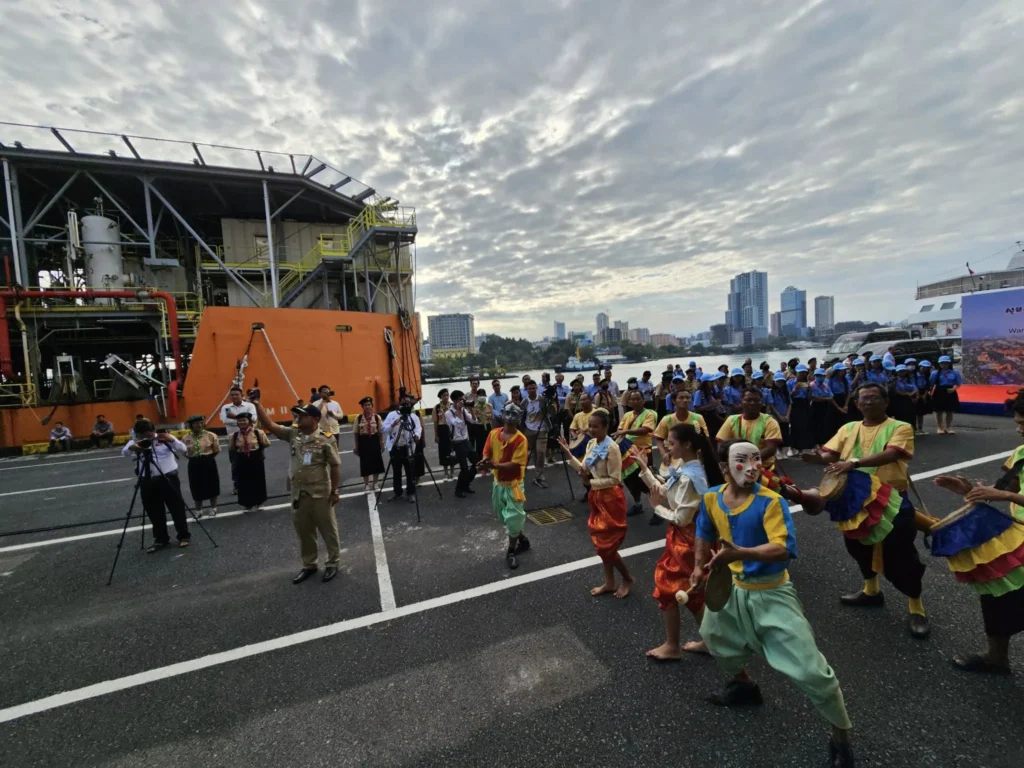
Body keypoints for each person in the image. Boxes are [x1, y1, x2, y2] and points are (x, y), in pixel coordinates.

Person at [692, 439, 855, 767]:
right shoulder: (711, 497)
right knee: (715, 637)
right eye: (741, 461)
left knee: (811, 670)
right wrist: (698, 566)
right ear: (724, 467)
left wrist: (741, 553)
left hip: (771, 592)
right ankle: (744, 686)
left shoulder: (770, 502)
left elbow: (782, 549)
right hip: (733, 589)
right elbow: (704, 531)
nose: (751, 466)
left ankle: (841, 737)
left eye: (755, 459)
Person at [802, 382, 930, 638]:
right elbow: (830, 454)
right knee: (857, 547)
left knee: (902, 553)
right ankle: (871, 591)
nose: (868, 402)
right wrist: (818, 458)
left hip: (891, 499)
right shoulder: (848, 428)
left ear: (885, 402)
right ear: (857, 404)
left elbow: (892, 454)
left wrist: (853, 462)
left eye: (873, 398)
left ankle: (917, 607)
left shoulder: (900, 427)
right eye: (863, 399)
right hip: (854, 501)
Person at [933, 396, 1024, 674]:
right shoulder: (1021, 453)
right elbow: (1006, 487)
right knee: (996, 595)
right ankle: (996, 657)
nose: (1019, 428)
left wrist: (1005, 494)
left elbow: (1008, 493)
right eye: (1018, 422)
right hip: (1017, 538)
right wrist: (969, 489)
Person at [634, 423, 723, 660]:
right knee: (693, 593)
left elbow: (681, 518)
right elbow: (665, 491)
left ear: (687, 445)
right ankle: (711, 641)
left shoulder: (690, 477)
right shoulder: (686, 469)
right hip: (689, 538)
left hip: (687, 541)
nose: (666, 447)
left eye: (671, 443)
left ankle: (673, 645)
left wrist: (657, 509)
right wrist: (644, 468)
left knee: (667, 587)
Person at [254, 400, 342, 583]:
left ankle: (333, 562)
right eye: (298, 415)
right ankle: (309, 564)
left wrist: (334, 491)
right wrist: (257, 404)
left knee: (328, 530)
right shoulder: (293, 433)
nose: (298, 417)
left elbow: (335, 466)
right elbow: (269, 425)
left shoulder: (327, 437)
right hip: (298, 493)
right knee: (304, 531)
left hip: (320, 492)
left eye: (303, 415)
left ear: (315, 419)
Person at [558, 410, 634, 598]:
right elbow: (585, 468)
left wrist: (590, 483)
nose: (591, 429)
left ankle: (627, 578)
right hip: (597, 497)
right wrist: (568, 453)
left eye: (595, 426)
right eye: (590, 425)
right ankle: (610, 582)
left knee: (607, 546)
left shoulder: (612, 448)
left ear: (606, 427)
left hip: (611, 500)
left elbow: (615, 479)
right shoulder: (592, 443)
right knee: (600, 544)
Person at [122, 420, 191, 551]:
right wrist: (134, 447)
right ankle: (161, 539)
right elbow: (124, 453)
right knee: (154, 511)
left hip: (168, 478)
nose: (146, 438)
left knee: (176, 508)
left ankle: (183, 536)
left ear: (153, 431)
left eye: (148, 435)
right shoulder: (136, 441)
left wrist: (171, 439)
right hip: (147, 480)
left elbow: (183, 449)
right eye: (142, 436)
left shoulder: (163, 438)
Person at [478, 403, 531, 569]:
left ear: (519, 417)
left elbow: (515, 464)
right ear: (502, 414)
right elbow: (487, 451)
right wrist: (484, 461)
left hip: (513, 484)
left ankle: (511, 551)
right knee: (504, 517)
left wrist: (493, 466)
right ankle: (522, 539)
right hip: (498, 484)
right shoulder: (494, 433)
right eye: (507, 413)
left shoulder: (521, 440)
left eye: (514, 414)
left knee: (513, 518)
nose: (510, 417)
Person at [715, 388, 784, 473]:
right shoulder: (732, 420)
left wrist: (746, 461)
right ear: (741, 402)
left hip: (764, 470)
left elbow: (771, 449)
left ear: (762, 403)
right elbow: (721, 445)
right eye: (748, 400)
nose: (752, 403)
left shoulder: (769, 421)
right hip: (738, 469)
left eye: (756, 400)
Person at [613, 390, 658, 520]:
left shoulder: (649, 414)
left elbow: (645, 430)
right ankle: (638, 505)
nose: (634, 401)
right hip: (627, 453)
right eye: (632, 399)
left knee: (648, 482)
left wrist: (625, 431)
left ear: (643, 400)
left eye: (638, 399)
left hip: (643, 453)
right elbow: (620, 430)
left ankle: (657, 510)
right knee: (630, 481)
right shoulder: (627, 415)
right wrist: (622, 432)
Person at [382, 393, 423, 503]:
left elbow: (418, 428)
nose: (406, 403)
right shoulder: (391, 415)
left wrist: (417, 436)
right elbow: (384, 429)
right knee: (396, 471)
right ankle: (397, 492)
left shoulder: (413, 416)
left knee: (410, 471)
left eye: (408, 402)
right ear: (399, 402)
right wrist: (393, 424)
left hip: (408, 447)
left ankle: (411, 492)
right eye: (404, 401)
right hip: (395, 447)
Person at [229, 412, 270, 512]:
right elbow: (233, 448)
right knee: (243, 482)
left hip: (255, 457)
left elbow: (265, 444)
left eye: (244, 420)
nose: (242, 422)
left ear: (249, 421)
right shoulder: (234, 435)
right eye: (239, 421)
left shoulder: (258, 432)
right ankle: (247, 504)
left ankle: (259, 502)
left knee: (258, 480)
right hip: (242, 458)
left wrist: (258, 453)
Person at [182, 414, 220, 517]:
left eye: (201, 422)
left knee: (212, 485)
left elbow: (216, 450)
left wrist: (207, 458)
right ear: (191, 425)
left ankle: (213, 508)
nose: (199, 425)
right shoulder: (186, 438)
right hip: (194, 464)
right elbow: (185, 452)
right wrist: (194, 459)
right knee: (196, 487)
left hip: (208, 462)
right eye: (196, 423)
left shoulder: (210, 435)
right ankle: (198, 510)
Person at [220, 386, 257, 494]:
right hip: (234, 440)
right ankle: (237, 485)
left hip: (250, 439)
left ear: (242, 396)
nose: (234, 396)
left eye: (237, 394)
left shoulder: (250, 405)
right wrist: (244, 419)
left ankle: (253, 484)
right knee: (235, 464)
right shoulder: (226, 407)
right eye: (232, 395)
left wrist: (234, 417)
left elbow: (254, 420)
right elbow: (225, 420)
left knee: (252, 462)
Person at [654, 389, 710, 460]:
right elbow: (659, 438)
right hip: (673, 457)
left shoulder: (698, 418)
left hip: (693, 458)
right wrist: (663, 453)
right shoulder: (667, 419)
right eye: (681, 398)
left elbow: (705, 438)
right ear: (674, 401)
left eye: (687, 397)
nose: (685, 400)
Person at [446, 390, 479, 498]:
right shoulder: (448, 413)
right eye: (460, 399)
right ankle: (458, 489)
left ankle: (466, 484)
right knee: (464, 468)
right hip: (457, 442)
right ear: (455, 401)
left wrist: (472, 409)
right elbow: (458, 423)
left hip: (465, 440)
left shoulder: (464, 410)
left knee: (477, 463)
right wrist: (459, 411)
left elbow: (474, 421)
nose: (462, 402)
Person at [521, 380, 553, 488]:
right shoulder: (524, 402)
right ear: (527, 390)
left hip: (542, 429)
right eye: (529, 388)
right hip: (529, 430)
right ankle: (537, 475)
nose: (532, 390)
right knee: (534, 453)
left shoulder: (542, 399)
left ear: (536, 388)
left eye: (534, 388)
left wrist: (551, 400)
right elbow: (522, 417)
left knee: (541, 453)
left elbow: (549, 411)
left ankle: (540, 475)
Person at [354, 396, 385, 491]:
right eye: (365, 405)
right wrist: (356, 446)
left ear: (372, 406)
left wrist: (382, 443)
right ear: (362, 407)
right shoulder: (358, 418)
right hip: (363, 441)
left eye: (369, 405)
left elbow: (380, 432)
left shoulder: (376, 417)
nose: (367, 407)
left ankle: (375, 483)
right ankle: (366, 484)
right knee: (365, 463)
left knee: (376, 462)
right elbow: (356, 433)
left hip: (374, 440)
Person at [930, 355, 963, 435]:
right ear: (939, 364)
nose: (944, 365)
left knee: (950, 411)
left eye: (946, 363)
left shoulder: (954, 373)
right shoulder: (935, 373)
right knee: (939, 411)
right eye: (942, 363)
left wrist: (953, 389)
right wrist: (930, 393)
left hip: (950, 391)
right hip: (939, 391)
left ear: (949, 364)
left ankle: (948, 427)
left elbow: (958, 383)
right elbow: (931, 384)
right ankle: (940, 427)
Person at [787, 364, 813, 453]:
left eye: (804, 373)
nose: (802, 374)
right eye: (800, 372)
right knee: (794, 425)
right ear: (797, 373)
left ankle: (800, 448)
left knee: (804, 426)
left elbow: (809, 398)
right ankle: (791, 447)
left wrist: (810, 390)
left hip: (804, 404)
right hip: (794, 404)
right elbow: (787, 396)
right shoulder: (790, 383)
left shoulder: (806, 384)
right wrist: (794, 390)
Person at [809, 368, 835, 449]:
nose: (820, 377)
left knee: (824, 425)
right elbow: (814, 398)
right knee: (815, 425)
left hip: (825, 406)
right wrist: (825, 398)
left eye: (822, 376)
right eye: (818, 376)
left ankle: (822, 442)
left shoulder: (825, 385)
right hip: (815, 406)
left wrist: (823, 398)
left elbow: (831, 396)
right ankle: (815, 443)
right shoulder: (812, 385)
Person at [433, 389, 455, 480]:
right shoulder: (437, 407)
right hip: (442, 429)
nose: (446, 397)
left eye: (447, 395)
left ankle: (452, 472)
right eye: (444, 395)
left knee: (452, 451)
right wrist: (436, 435)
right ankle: (445, 472)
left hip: (451, 429)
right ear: (440, 397)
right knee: (443, 451)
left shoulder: (452, 406)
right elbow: (435, 422)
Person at [770, 372, 793, 457]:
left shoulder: (786, 392)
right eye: (778, 381)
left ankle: (784, 452)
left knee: (785, 434)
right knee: (776, 435)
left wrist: (787, 415)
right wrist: (779, 416)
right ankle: (777, 452)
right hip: (776, 417)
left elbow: (790, 404)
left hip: (785, 416)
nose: (780, 383)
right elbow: (772, 406)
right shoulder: (771, 392)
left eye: (782, 381)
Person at [828, 363, 851, 434]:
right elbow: (830, 395)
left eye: (844, 370)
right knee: (835, 421)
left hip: (843, 400)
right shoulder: (830, 380)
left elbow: (848, 393)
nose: (843, 372)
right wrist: (838, 407)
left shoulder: (845, 380)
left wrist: (846, 405)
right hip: (834, 401)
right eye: (841, 370)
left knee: (845, 420)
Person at [914, 360, 933, 435]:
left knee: (921, 413)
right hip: (915, 393)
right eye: (923, 367)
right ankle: (914, 429)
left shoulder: (927, 376)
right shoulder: (914, 375)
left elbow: (928, 386)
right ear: (919, 367)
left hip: (923, 394)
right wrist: (918, 395)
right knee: (914, 413)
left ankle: (920, 428)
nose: (924, 369)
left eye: (926, 368)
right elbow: (913, 385)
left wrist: (925, 395)